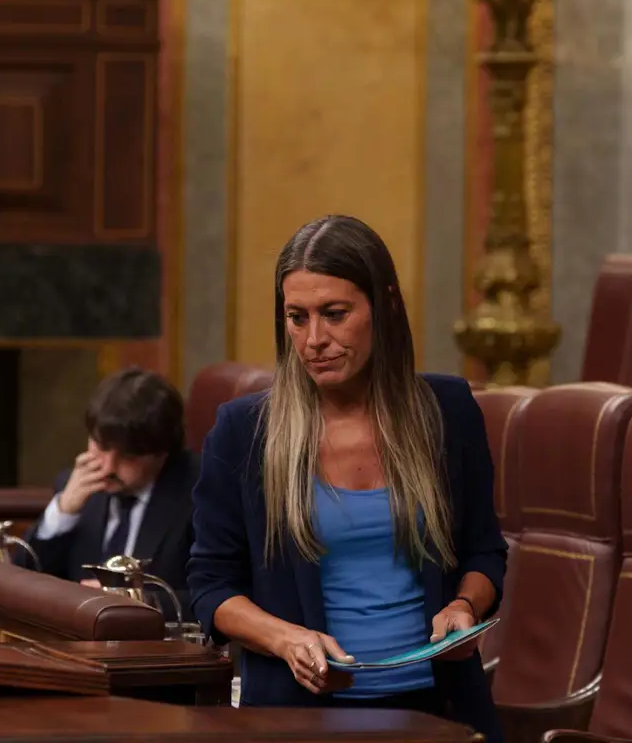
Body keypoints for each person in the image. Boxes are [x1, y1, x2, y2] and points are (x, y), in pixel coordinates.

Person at [187, 215, 508, 739]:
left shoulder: (447, 411)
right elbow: (210, 586)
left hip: (439, 711)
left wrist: (464, 605)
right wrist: (286, 639)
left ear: (383, 306)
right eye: (297, 318)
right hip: (297, 718)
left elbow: (484, 552)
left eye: (335, 314)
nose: (314, 339)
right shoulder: (245, 431)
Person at [21, 367, 196, 621]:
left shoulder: (199, 495)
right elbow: (24, 579)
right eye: (101, 446)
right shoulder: (76, 485)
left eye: (128, 456)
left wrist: (140, 602)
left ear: (163, 452)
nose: (108, 466)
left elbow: (215, 598)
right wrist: (62, 513)